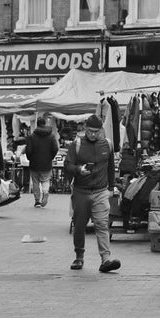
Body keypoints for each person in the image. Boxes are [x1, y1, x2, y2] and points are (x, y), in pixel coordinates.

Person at [65, 113, 120, 273]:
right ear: (85, 129)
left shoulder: (107, 145)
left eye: (96, 131)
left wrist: (111, 187)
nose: (93, 134)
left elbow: (111, 167)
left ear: (101, 130)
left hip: (101, 192)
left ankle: (106, 259)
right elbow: (67, 165)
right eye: (90, 131)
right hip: (81, 191)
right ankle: (79, 256)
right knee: (80, 226)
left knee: (102, 224)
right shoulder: (76, 145)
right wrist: (78, 170)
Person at [24, 115, 59, 208]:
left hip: (34, 163)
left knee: (35, 182)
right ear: (45, 124)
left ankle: (37, 201)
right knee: (45, 180)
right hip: (46, 163)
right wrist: (51, 157)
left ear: (37, 124)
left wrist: (29, 158)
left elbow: (28, 150)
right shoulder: (51, 136)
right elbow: (56, 148)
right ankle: (46, 193)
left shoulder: (31, 136)